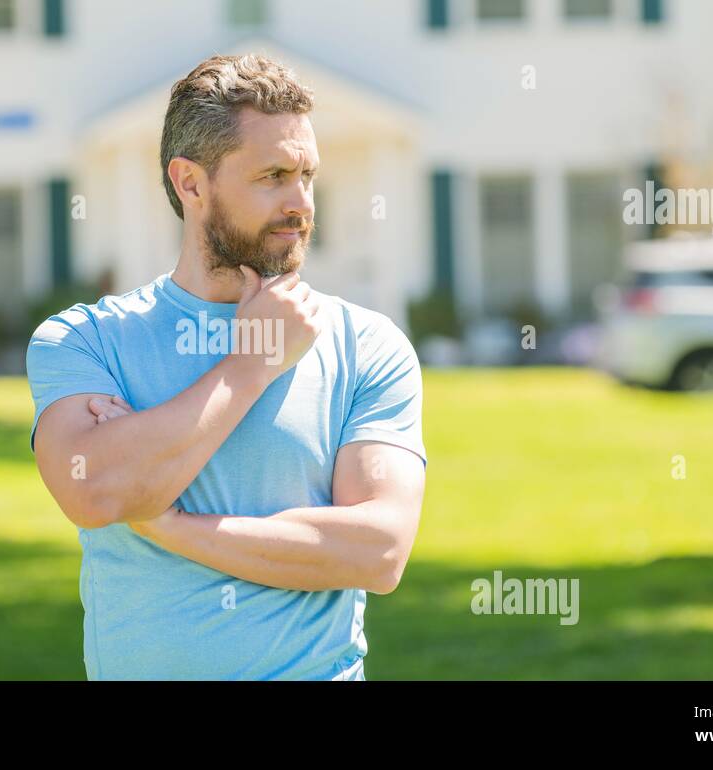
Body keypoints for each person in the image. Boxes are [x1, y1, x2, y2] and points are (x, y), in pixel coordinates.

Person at [27, 53, 426, 680]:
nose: (300, 203)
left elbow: (377, 551)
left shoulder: (367, 345)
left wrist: (170, 524)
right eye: (273, 175)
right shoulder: (86, 340)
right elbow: (94, 488)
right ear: (190, 183)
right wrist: (249, 367)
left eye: (307, 175)